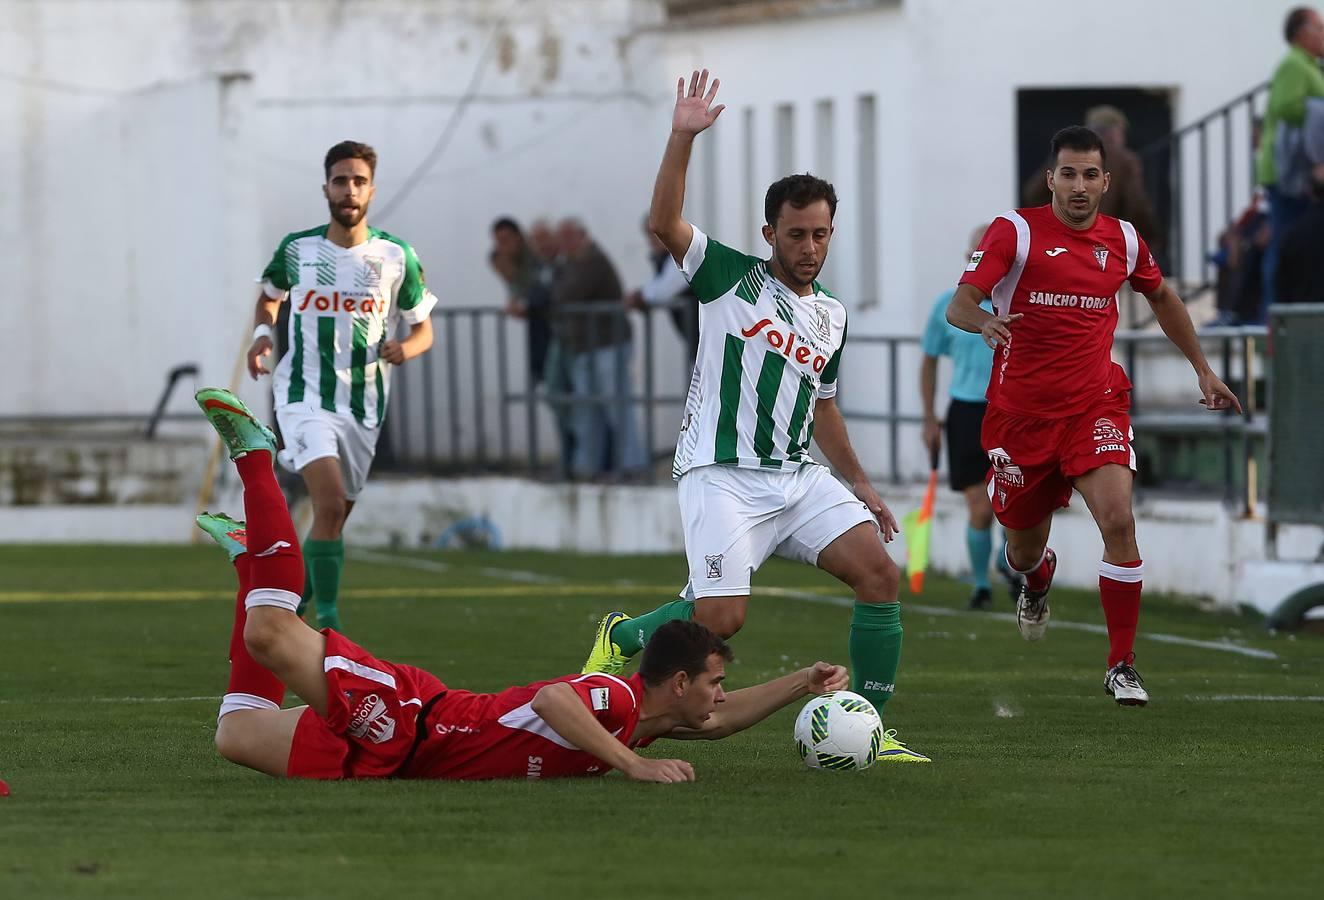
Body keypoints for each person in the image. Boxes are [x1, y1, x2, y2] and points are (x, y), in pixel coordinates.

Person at [194, 386, 853, 782]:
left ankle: (252, 566)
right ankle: (257, 456)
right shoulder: (617, 703)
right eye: (713, 681)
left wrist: (802, 682)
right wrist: (633, 768)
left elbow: (720, 722)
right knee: (269, 631)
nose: (720, 695)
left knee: (238, 734)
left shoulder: (647, 720)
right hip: (413, 722)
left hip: (402, 762)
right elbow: (552, 702)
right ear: (677, 683)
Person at [578, 70, 927, 762]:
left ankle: (870, 726)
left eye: (820, 234)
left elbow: (823, 403)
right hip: (721, 475)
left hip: (796, 478)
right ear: (770, 232)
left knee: (882, 575)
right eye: (795, 234)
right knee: (722, 622)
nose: (808, 247)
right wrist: (682, 136)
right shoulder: (729, 277)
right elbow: (664, 223)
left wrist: (857, 480)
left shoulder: (831, 314)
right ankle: (624, 635)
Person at [948, 126, 1242, 707]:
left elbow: (1161, 296)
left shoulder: (1125, 241)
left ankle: (1122, 665)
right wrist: (983, 322)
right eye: (1068, 174)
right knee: (1022, 550)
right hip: (1020, 419)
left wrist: (1202, 369)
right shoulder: (1017, 231)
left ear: (1106, 181)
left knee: (1118, 521)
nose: (1079, 186)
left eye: (1090, 175)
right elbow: (963, 299)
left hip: (1094, 405)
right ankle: (1035, 580)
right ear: (1050, 178)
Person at [246, 141, 436, 632]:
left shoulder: (397, 256)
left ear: (371, 190)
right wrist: (264, 337)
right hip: (302, 393)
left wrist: (406, 349)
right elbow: (269, 297)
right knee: (328, 504)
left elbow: (423, 328)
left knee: (332, 520)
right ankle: (327, 625)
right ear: (326, 188)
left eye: (358, 181)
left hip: (364, 404)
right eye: (339, 180)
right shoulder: (298, 249)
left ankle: (293, 604)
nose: (348, 190)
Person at [919, 227, 1017, 611]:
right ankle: (982, 584)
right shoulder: (949, 305)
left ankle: (1002, 560)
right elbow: (928, 361)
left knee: (1013, 504)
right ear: (969, 258)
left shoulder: (1018, 304)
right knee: (979, 506)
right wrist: (929, 418)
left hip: (1011, 412)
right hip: (966, 412)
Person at [552, 217, 647, 478]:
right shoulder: (571, 264)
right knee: (587, 408)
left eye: (569, 238)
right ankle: (590, 466)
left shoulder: (592, 261)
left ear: (582, 236)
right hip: (587, 347)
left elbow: (563, 295)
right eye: (562, 239)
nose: (565, 244)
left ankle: (631, 464)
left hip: (608, 344)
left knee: (616, 405)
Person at [1022, 106, 1164, 262]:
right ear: (1115, 132)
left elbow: (1033, 193)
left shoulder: (1066, 156)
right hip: (1104, 241)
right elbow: (1136, 204)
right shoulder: (1125, 160)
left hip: (1063, 239)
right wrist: (1148, 237)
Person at [1256, 6, 1324, 316]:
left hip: (1295, 171)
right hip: (1290, 172)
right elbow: (1288, 107)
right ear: (1302, 33)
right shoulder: (1295, 65)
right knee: (1284, 242)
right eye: (1319, 28)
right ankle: (1276, 314)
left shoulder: (1308, 65)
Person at [626, 213, 701, 363]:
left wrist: (639, 297)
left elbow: (663, 290)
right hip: (699, 338)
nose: (653, 239)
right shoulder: (670, 257)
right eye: (650, 234)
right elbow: (659, 285)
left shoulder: (684, 253)